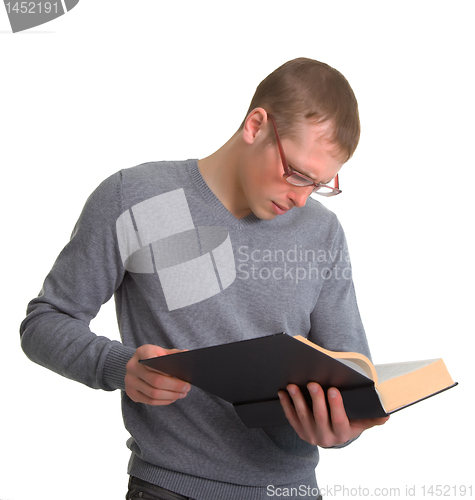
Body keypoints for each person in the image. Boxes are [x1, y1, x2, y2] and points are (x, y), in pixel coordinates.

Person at [20, 57, 388, 500]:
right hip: (170, 489)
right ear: (255, 126)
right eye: (297, 174)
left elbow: (351, 375)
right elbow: (46, 321)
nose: (301, 198)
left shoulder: (321, 230)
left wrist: (342, 431)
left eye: (320, 185)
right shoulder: (138, 197)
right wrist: (121, 367)